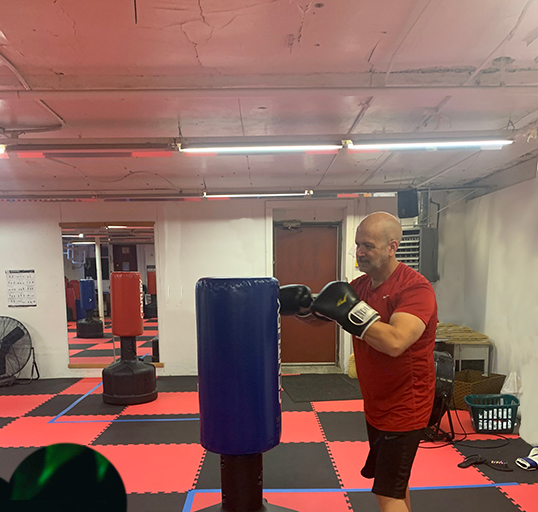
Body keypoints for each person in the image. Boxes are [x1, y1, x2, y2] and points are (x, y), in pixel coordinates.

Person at [280, 211, 437, 512]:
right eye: (357, 245)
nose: (360, 252)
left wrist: (352, 312)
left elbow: (395, 342)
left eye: (368, 246)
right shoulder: (361, 286)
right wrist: (302, 309)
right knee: (395, 485)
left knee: (386, 493)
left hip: (406, 405)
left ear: (392, 247)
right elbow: (326, 319)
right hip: (377, 403)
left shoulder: (415, 289)